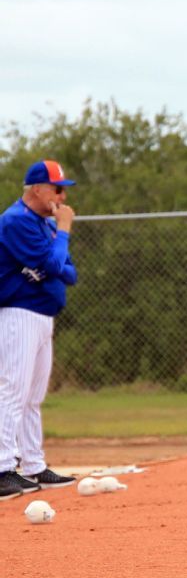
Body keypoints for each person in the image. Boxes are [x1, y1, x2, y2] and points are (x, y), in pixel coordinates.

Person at [0, 160, 80, 501]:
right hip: (19, 312)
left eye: (64, 189)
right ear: (37, 189)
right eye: (57, 188)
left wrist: (55, 255)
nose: (62, 195)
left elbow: (69, 272)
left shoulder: (42, 224)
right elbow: (52, 264)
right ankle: (3, 468)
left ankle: (33, 465)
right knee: (12, 391)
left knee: (33, 398)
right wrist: (63, 230)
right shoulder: (17, 221)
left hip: (42, 313)